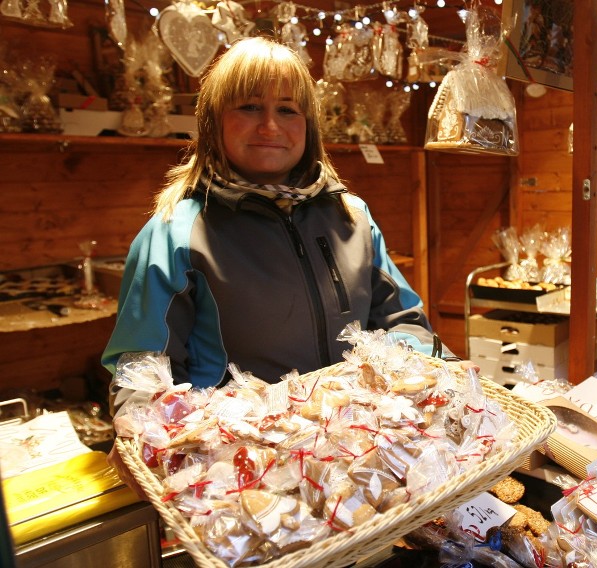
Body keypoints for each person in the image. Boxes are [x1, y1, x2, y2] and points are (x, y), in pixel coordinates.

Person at [102, 36, 455, 404]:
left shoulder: (351, 217)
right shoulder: (175, 232)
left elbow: (403, 321)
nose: (270, 127)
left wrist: (442, 371)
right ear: (213, 122)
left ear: (309, 126)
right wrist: (141, 427)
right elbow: (141, 370)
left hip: (356, 442)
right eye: (250, 107)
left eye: (287, 110)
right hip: (242, 449)